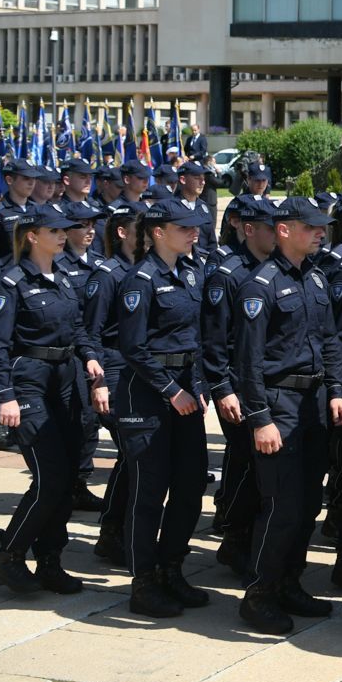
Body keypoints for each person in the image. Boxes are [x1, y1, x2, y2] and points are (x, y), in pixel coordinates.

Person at [232, 196, 342, 635]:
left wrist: (338, 390)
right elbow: (248, 359)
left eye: (323, 227)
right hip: (279, 405)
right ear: (284, 230)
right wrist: (260, 418)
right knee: (281, 506)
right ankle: (259, 593)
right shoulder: (258, 285)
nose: (321, 233)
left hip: (314, 404)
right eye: (312, 227)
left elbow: (331, 340)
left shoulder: (316, 279)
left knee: (306, 506)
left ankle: (289, 582)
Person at [0, 205, 103, 594]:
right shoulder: (13, 281)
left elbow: (79, 327)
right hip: (30, 383)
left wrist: (90, 356)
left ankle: (50, 560)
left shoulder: (66, 276)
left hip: (65, 382)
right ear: (33, 235)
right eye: (54, 230)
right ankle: (11, 557)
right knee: (49, 477)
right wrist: (6, 395)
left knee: (67, 477)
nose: (62, 235)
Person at [112, 198, 213, 617]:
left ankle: (172, 568)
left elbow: (199, 337)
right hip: (150, 394)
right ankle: (144, 581)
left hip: (187, 392)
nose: (194, 234)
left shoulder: (193, 273)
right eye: (184, 228)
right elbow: (133, 347)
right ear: (158, 232)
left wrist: (201, 384)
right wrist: (172, 389)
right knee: (149, 492)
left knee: (190, 487)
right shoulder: (141, 279)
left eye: (196, 228)